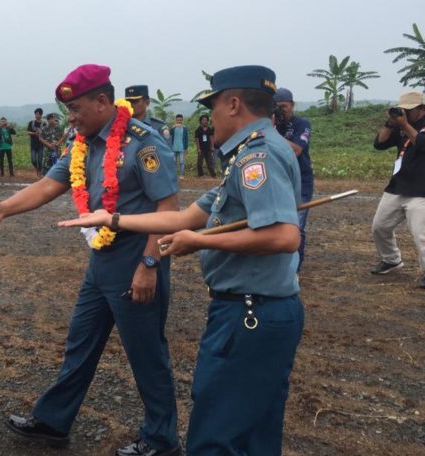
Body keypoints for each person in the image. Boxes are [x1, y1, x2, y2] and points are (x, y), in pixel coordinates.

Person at [58, 65, 303, 456]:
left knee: (215, 434)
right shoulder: (247, 154)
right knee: (253, 435)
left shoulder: (259, 156)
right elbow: (183, 217)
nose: (209, 116)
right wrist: (114, 218)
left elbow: (284, 236)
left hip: (250, 314)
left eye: (214, 106)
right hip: (252, 310)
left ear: (234, 104)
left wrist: (198, 241)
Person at [0, 64, 182, 456]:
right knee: (80, 343)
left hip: (136, 258)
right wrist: (3, 208)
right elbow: (47, 185)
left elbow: (168, 208)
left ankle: (161, 440)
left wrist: (150, 265)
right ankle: (54, 421)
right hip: (101, 261)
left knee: (146, 355)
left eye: (76, 109)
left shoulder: (144, 142)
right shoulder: (83, 143)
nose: (70, 118)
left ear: (103, 102)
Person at [370, 91, 425, 288]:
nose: (405, 113)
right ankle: (392, 259)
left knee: (421, 235)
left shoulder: (413, 126)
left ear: (421, 109)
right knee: (379, 226)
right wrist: (390, 124)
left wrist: (405, 125)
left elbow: (422, 144)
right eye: (403, 109)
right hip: (398, 186)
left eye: (408, 110)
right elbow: (379, 144)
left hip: (421, 190)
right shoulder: (401, 125)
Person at [274, 88, 313, 271]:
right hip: (278, 181)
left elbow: (297, 149)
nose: (281, 110)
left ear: (292, 105)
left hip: (301, 182)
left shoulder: (301, 124)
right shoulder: (273, 125)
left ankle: (295, 269)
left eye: (284, 106)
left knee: (297, 226)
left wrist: (270, 133)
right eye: (277, 107)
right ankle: (280, 266)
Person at [27, 107, 46, 177]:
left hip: (41, 144)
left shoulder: (44, 124)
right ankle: (37, 169)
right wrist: (34, 134)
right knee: (33, 160)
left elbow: (45, 134)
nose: (36, 115)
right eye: (35, 114)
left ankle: (39, 171)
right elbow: (27, 132)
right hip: (33, 144)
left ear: (41, 115)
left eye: (38, 114)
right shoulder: (31, 123)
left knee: (40, 160)